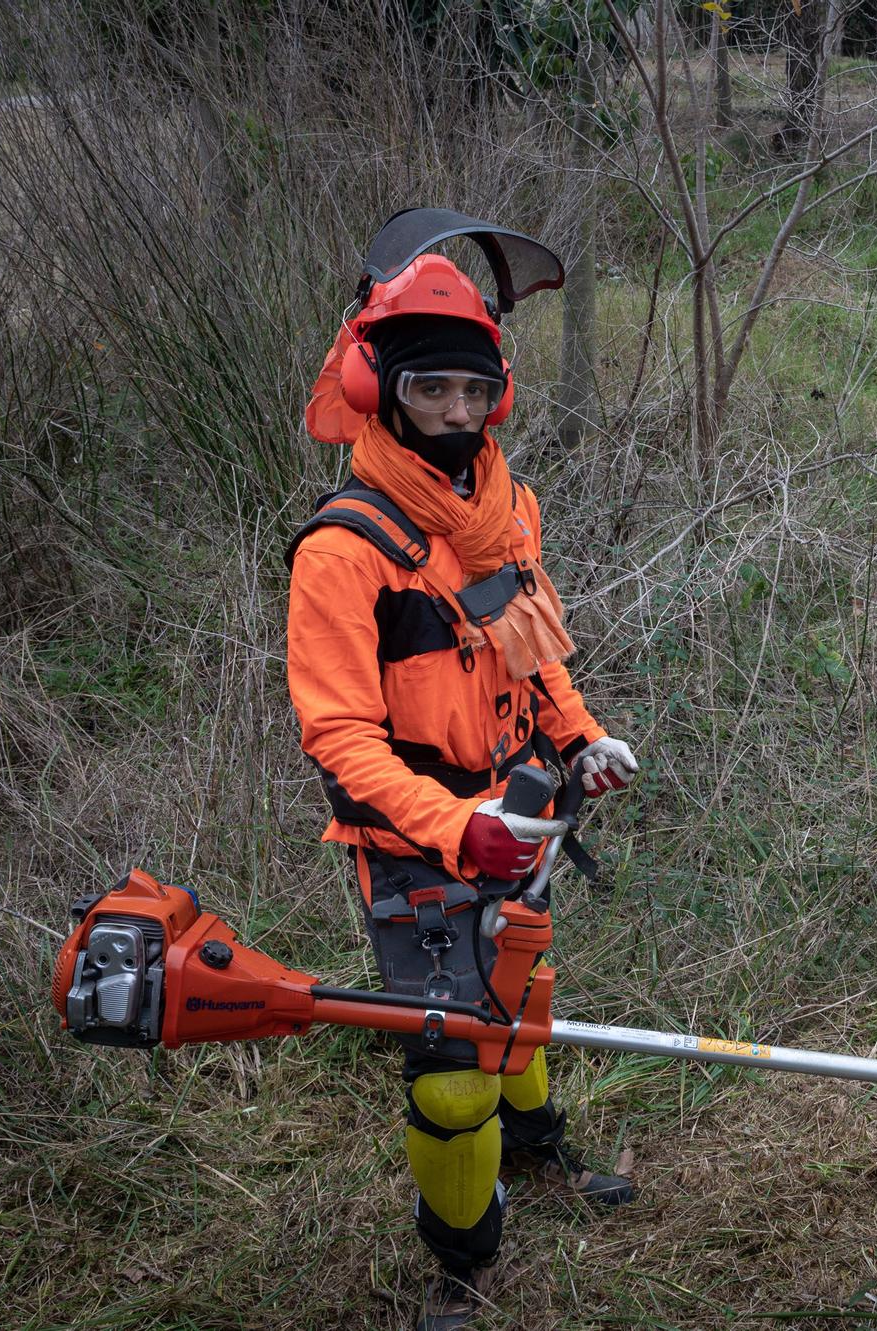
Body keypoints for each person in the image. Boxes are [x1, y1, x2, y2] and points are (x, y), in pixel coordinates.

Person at [288, 210, 640, 1331]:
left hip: (525, 808)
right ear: (378, 386)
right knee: (449, 1071)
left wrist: (580, 738)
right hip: (415, 843)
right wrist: (456, 827)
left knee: (525, 995)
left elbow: (534, 651)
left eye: (472, 392)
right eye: (429, 389)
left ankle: (536, 1148)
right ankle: (461, 1262)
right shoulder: (341, 550)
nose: (453, 413)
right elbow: (339, 737)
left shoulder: (507, 509)